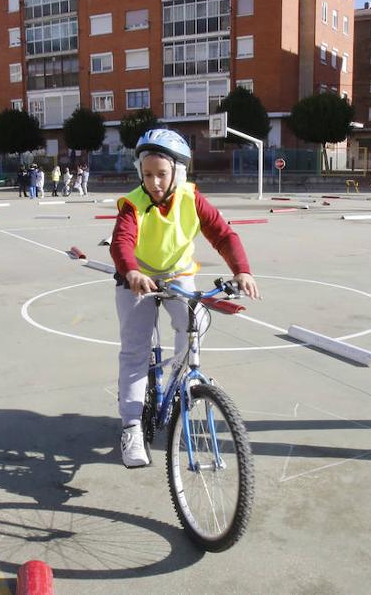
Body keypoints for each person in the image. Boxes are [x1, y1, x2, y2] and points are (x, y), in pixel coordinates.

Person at [109, 129, 260, 468]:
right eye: (147, 174)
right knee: (135, 349)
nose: (154, 182)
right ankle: (132, 425)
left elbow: (222, 235)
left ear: (178, 171)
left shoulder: (193, 199)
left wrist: (242, 270)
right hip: (138, 278)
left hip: (177, 274)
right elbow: (121, 242)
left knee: (196, 321)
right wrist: (131, 271)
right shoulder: (133, 204)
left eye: (161, 174)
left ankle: (183, 379)